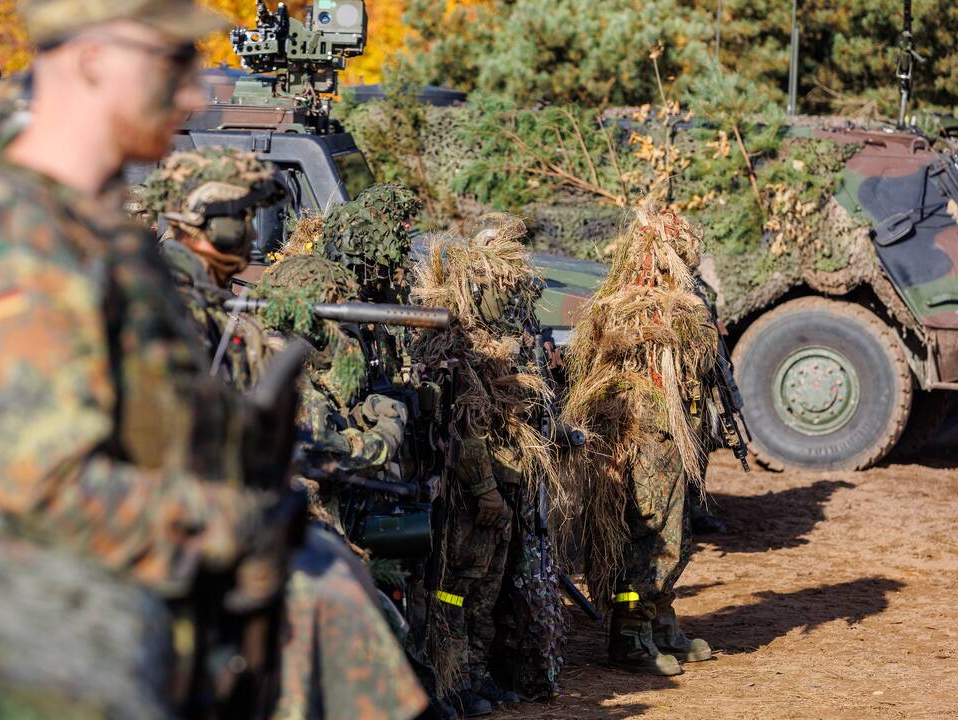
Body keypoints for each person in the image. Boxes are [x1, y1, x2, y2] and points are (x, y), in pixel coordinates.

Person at [0, 2, 298, 713]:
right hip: (54, 645)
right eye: (172, 61)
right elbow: (36, 491)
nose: (194, 93)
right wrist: (233, 524)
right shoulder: (10, 236)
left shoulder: (87, 226)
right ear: (91, 59)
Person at [140, 148, 428, 720]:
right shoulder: (158, 307)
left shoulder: (212, 306)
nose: (251, 230)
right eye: (239, 214)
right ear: (201, 220)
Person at [408, 216, 564, 716]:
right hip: (474, 489)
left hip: (507, 479)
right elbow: (465, 428)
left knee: (486, 589)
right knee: (457, 589)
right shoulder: (455, 342)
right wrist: (484, 490)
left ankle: (476, 675)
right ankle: (453, 681)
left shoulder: (508, 342)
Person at [560, 207, 718, 677]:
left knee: (679, 537)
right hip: (646, 440)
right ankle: (630, 634)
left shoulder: (681, 302)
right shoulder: (626, 306)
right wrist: (686, 318)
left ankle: (660, 619)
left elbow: (702, 366)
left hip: (676, 439)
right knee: (649, 537)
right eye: (681, 252)